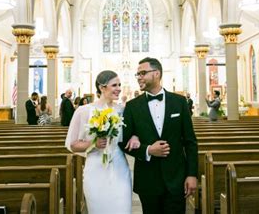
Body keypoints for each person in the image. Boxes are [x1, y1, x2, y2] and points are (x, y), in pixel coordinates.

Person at [120, 57, 198, 214]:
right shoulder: (132, 106)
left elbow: (190, 142)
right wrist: (148, 150)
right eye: (137, 74)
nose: (139, 77)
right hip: (148, 180)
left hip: (176, 178)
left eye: (142, 73)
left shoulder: (179, 102)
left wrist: (192, 174)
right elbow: (123, 142)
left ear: (156, 73)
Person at [65, 70, 140, 214]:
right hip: (95, 169)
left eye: (119, 85)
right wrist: (93, 143)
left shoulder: (123, 110)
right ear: (102, 87)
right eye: (114, 85)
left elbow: (133, 131)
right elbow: (72, 144)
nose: (119, 88)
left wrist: (135, 136)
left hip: (119, 169)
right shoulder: (83, 111)